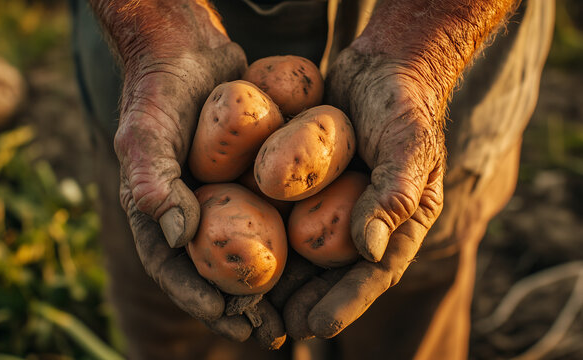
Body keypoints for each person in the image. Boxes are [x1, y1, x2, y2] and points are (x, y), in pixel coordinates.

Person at [69, 0, 554, 359]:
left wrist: (422, 53)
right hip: (161, 77)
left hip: (444, 57)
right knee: (177, 324)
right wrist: (154, 30)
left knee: (408, 319)